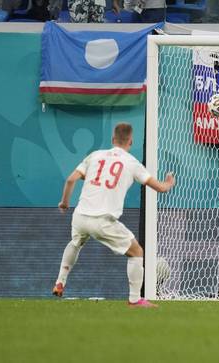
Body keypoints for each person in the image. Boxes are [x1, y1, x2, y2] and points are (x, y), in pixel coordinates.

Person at [52, 123, 175, 308]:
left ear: (112, 140)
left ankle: (60, 281)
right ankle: (135, 300)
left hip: (80, 216)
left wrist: (64, 203)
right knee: (137, 252)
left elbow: (71, 179)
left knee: (75, 243)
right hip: (103, 220)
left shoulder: (95, 156)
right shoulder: (132, 163)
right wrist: (169, 182)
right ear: (130, 141)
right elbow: (161, 188)